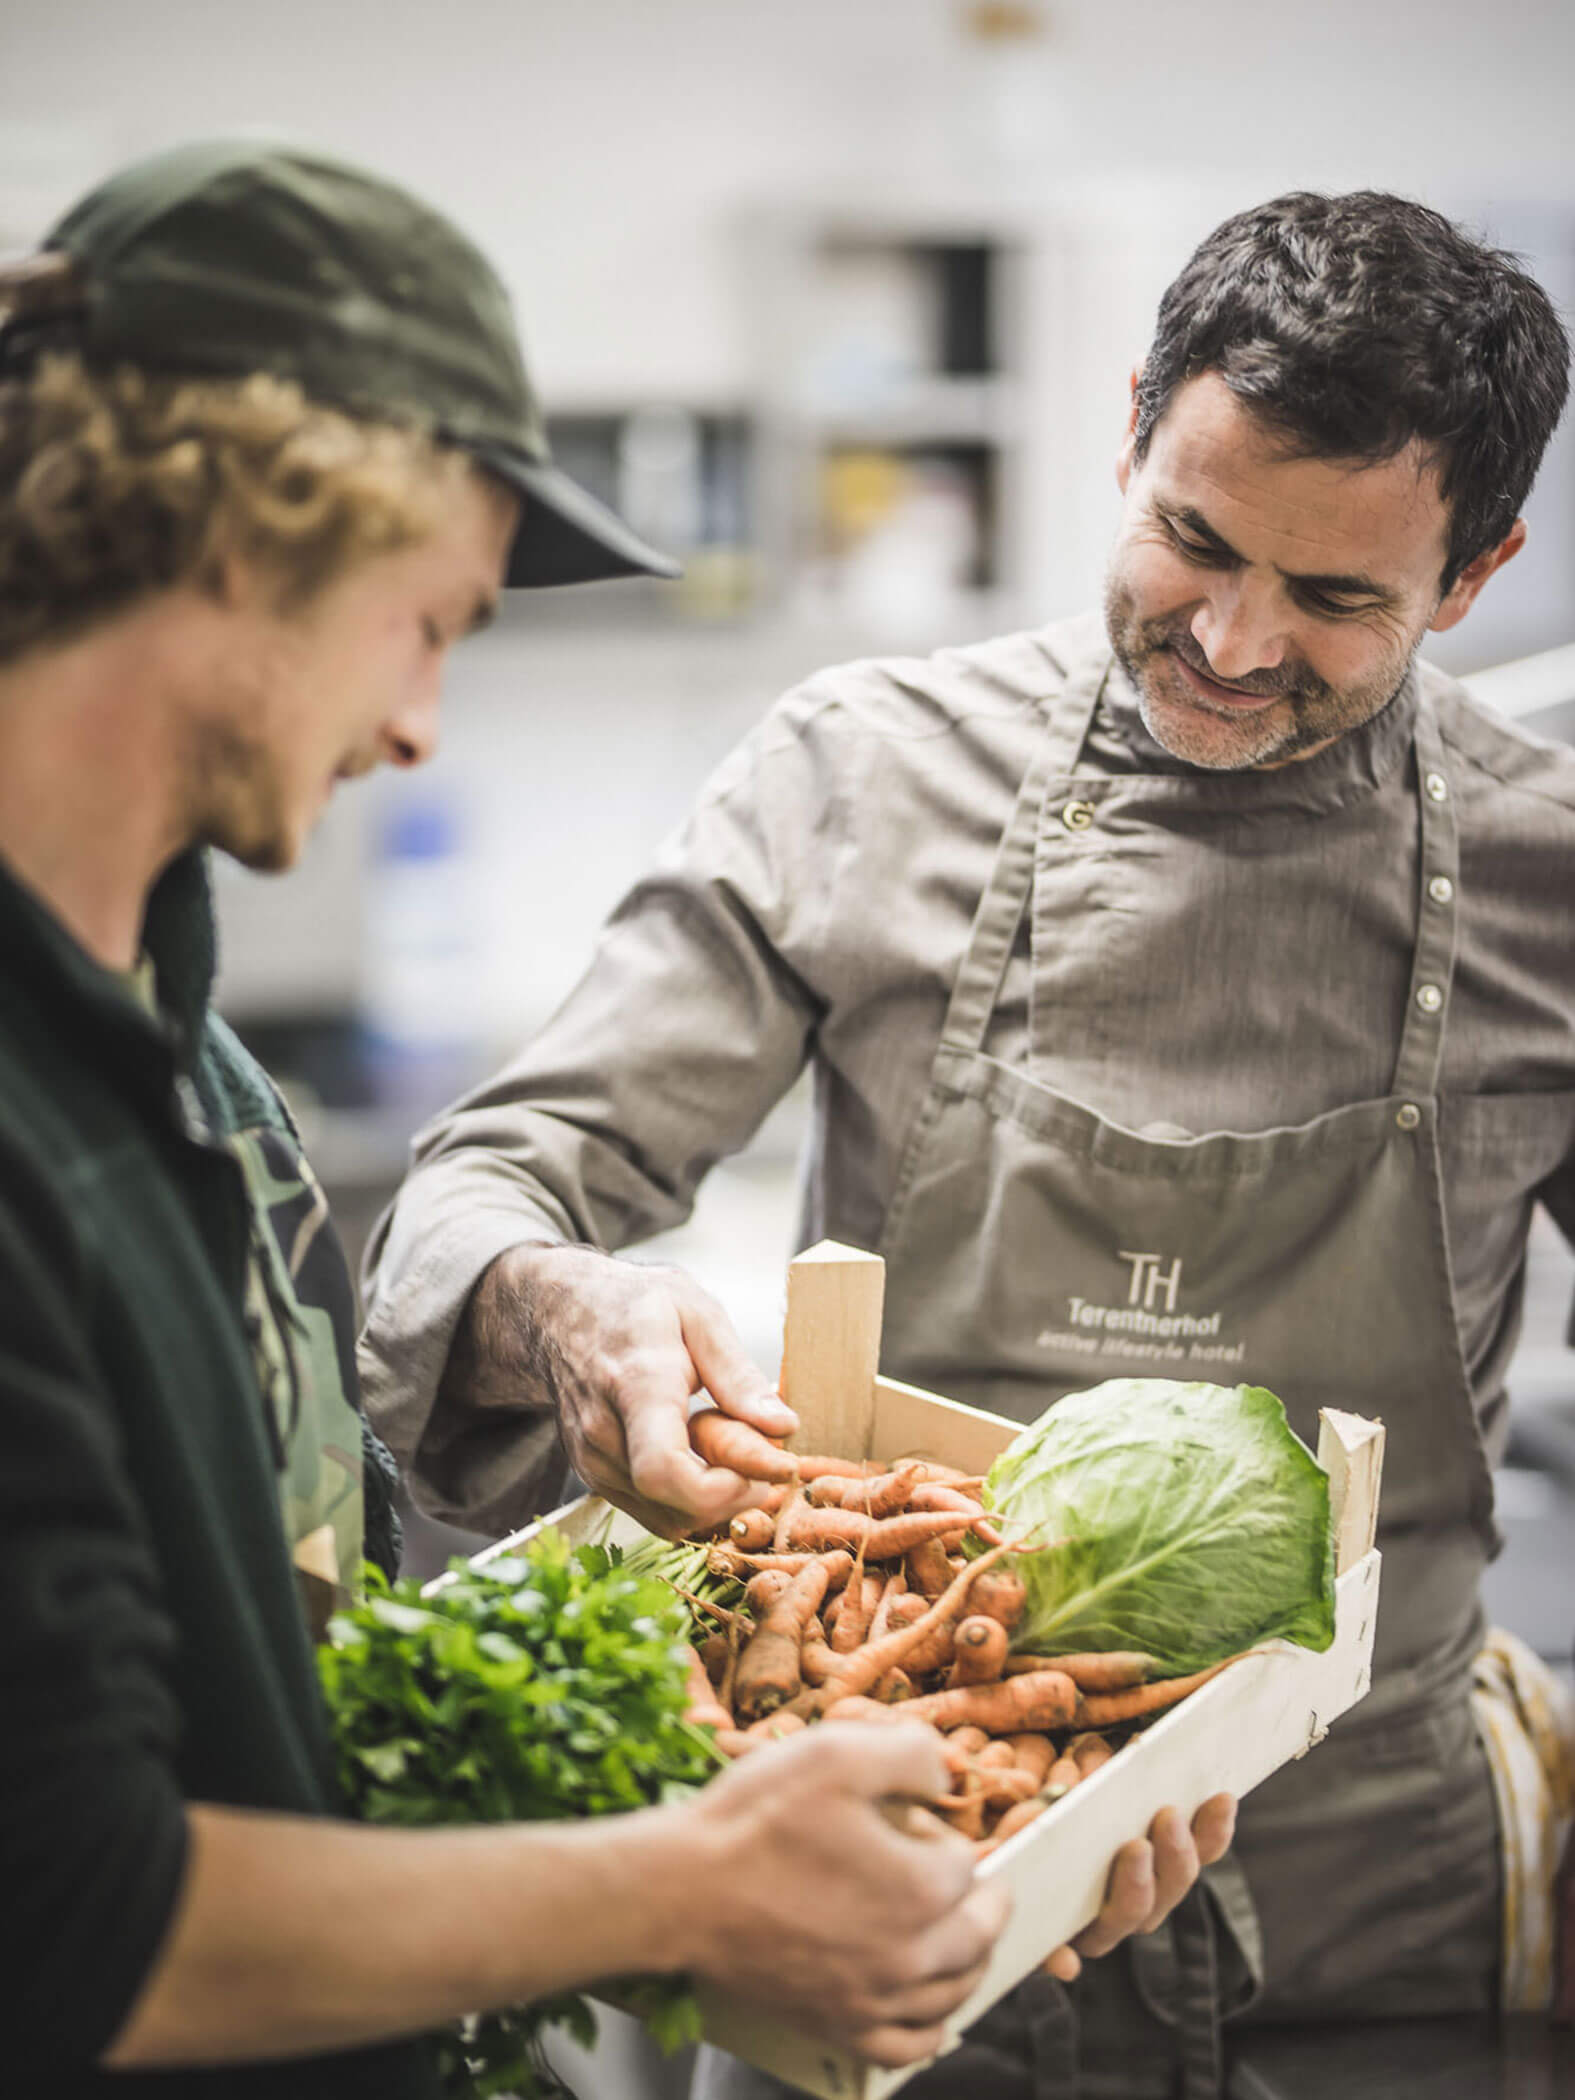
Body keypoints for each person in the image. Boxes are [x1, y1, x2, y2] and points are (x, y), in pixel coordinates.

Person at [361, 189, 1575, 2098]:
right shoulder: (863, 770)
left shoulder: (1545, 877)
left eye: (1339, 599)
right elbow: (492, 1185)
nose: (1235, 639)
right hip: (870, 1852)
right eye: (1194, 539)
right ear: (1132, 430)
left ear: (1475, 573)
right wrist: (560, 1305)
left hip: (1368, 1914)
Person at [0, 138, 1029, 2100]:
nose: (417, 727)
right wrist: (690, 1890)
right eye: (429, 623)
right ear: (245, 532)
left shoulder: (205, 1090)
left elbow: (291, 1679)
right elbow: (71, 1929)